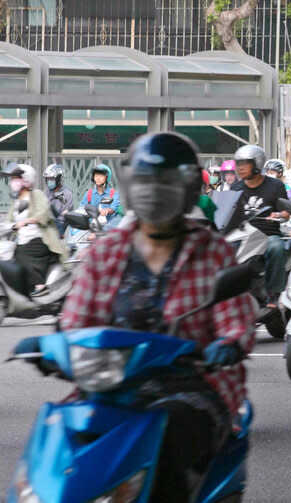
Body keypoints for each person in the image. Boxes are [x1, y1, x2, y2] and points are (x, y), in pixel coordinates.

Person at [47, 132, 256, 502]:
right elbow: (78, 318)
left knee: (171, 427)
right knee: (60, 432)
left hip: (192, 386)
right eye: (145, 182)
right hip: (112, 383)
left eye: (166, 183)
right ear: (130, 186)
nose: (154, 192)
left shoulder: (212, 252)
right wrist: (55, 344)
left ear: (188, 188)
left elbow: (234, 321)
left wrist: (227, 344)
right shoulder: (107, 250)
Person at [230, 145, 289, 304]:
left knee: (276, 247)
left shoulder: (275, 186)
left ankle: (273, 293)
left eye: (245, 163)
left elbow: (287, 213)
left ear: (257, 163)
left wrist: (278, 214)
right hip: (242, 236)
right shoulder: (236, 187)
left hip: (267, 236)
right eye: (238, 164)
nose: (240, 168)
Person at [2, 164, 69, 295]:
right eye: (12, 179)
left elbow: (43, 212)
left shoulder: (36, 194)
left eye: (16, 178)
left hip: (41, 239)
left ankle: (40, 285)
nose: (13, 182)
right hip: (23, 240)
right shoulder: (16, 201)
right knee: (10, 253)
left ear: (26, 179)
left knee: (23, 252)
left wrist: (26, 221)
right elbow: (8, 222)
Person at [43, 163, 74, 235]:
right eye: (48, 179)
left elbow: (63, 216)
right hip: (45, 225)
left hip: (59, 227)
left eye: (52, 179)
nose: (49, 181)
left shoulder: (67, 194)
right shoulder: (46, 192)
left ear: (59, 178)